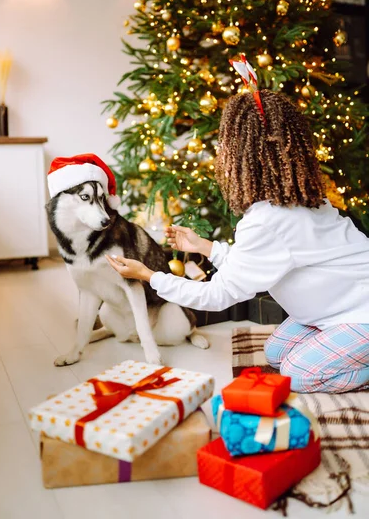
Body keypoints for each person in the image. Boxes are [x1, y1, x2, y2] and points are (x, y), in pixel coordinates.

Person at [107, 88, 369, 394]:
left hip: (360, 312)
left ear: (240, 154)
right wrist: (205, 247)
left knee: (297, 374)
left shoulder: (267, 220)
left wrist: (150, 276)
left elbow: (217, 295)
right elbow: (256, 264)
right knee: (276, 354)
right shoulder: (299, 199)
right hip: (334, 310)